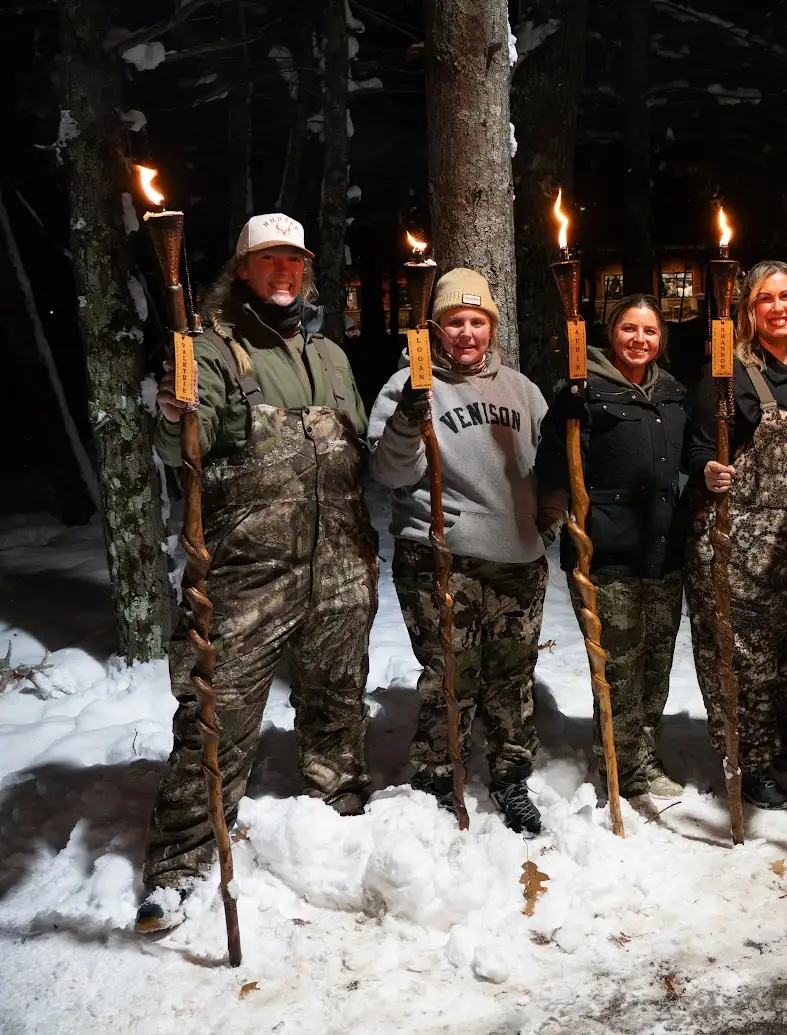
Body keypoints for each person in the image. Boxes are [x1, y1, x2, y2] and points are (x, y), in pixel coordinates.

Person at [138, 214, 377, 933]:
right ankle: (180, 859)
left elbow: (355, 441)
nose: (283, 272)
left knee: (338, 703)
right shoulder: (209, 348)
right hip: (247, 573)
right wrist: (174, 410)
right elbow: (187, 438)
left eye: (293, 261)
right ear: (242, 268)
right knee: (218, 712)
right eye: (268, 260)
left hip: (339, 564)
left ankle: (338, 820)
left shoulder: (331, 353)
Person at [368, 268, 551, 835]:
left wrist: (552, 514)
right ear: (436, 329)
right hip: (440, 557)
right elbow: (390, 472)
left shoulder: (522, 390)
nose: (467, 332)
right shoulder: (406, 386)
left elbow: (546, 467)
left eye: (477, 321)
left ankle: (511, 777)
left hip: (518, 559)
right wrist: (407, 419)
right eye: (455, 322)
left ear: (491, 327)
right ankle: (436, 779)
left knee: (512, 677)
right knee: (451, 675)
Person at [684, 260, 787, 811]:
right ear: (748, 310)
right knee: (747, 663)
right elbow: (698, 446)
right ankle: (750, 761)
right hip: (740, 546)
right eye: (765, 299)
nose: (778, 308)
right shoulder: (729, 374)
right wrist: (708, 470)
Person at [536, 294, 691, 805]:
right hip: (607, 552)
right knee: (619, 668)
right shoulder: (582, 391)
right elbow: (552, 463)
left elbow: (689, 453)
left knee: (656, 665)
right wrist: (562, 420)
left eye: (649, 331)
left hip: (663, 549)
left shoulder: (670, 391)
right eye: (629, 329)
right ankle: (619, 765)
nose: (639, 340)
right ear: (610, 332)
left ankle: (641, 756)